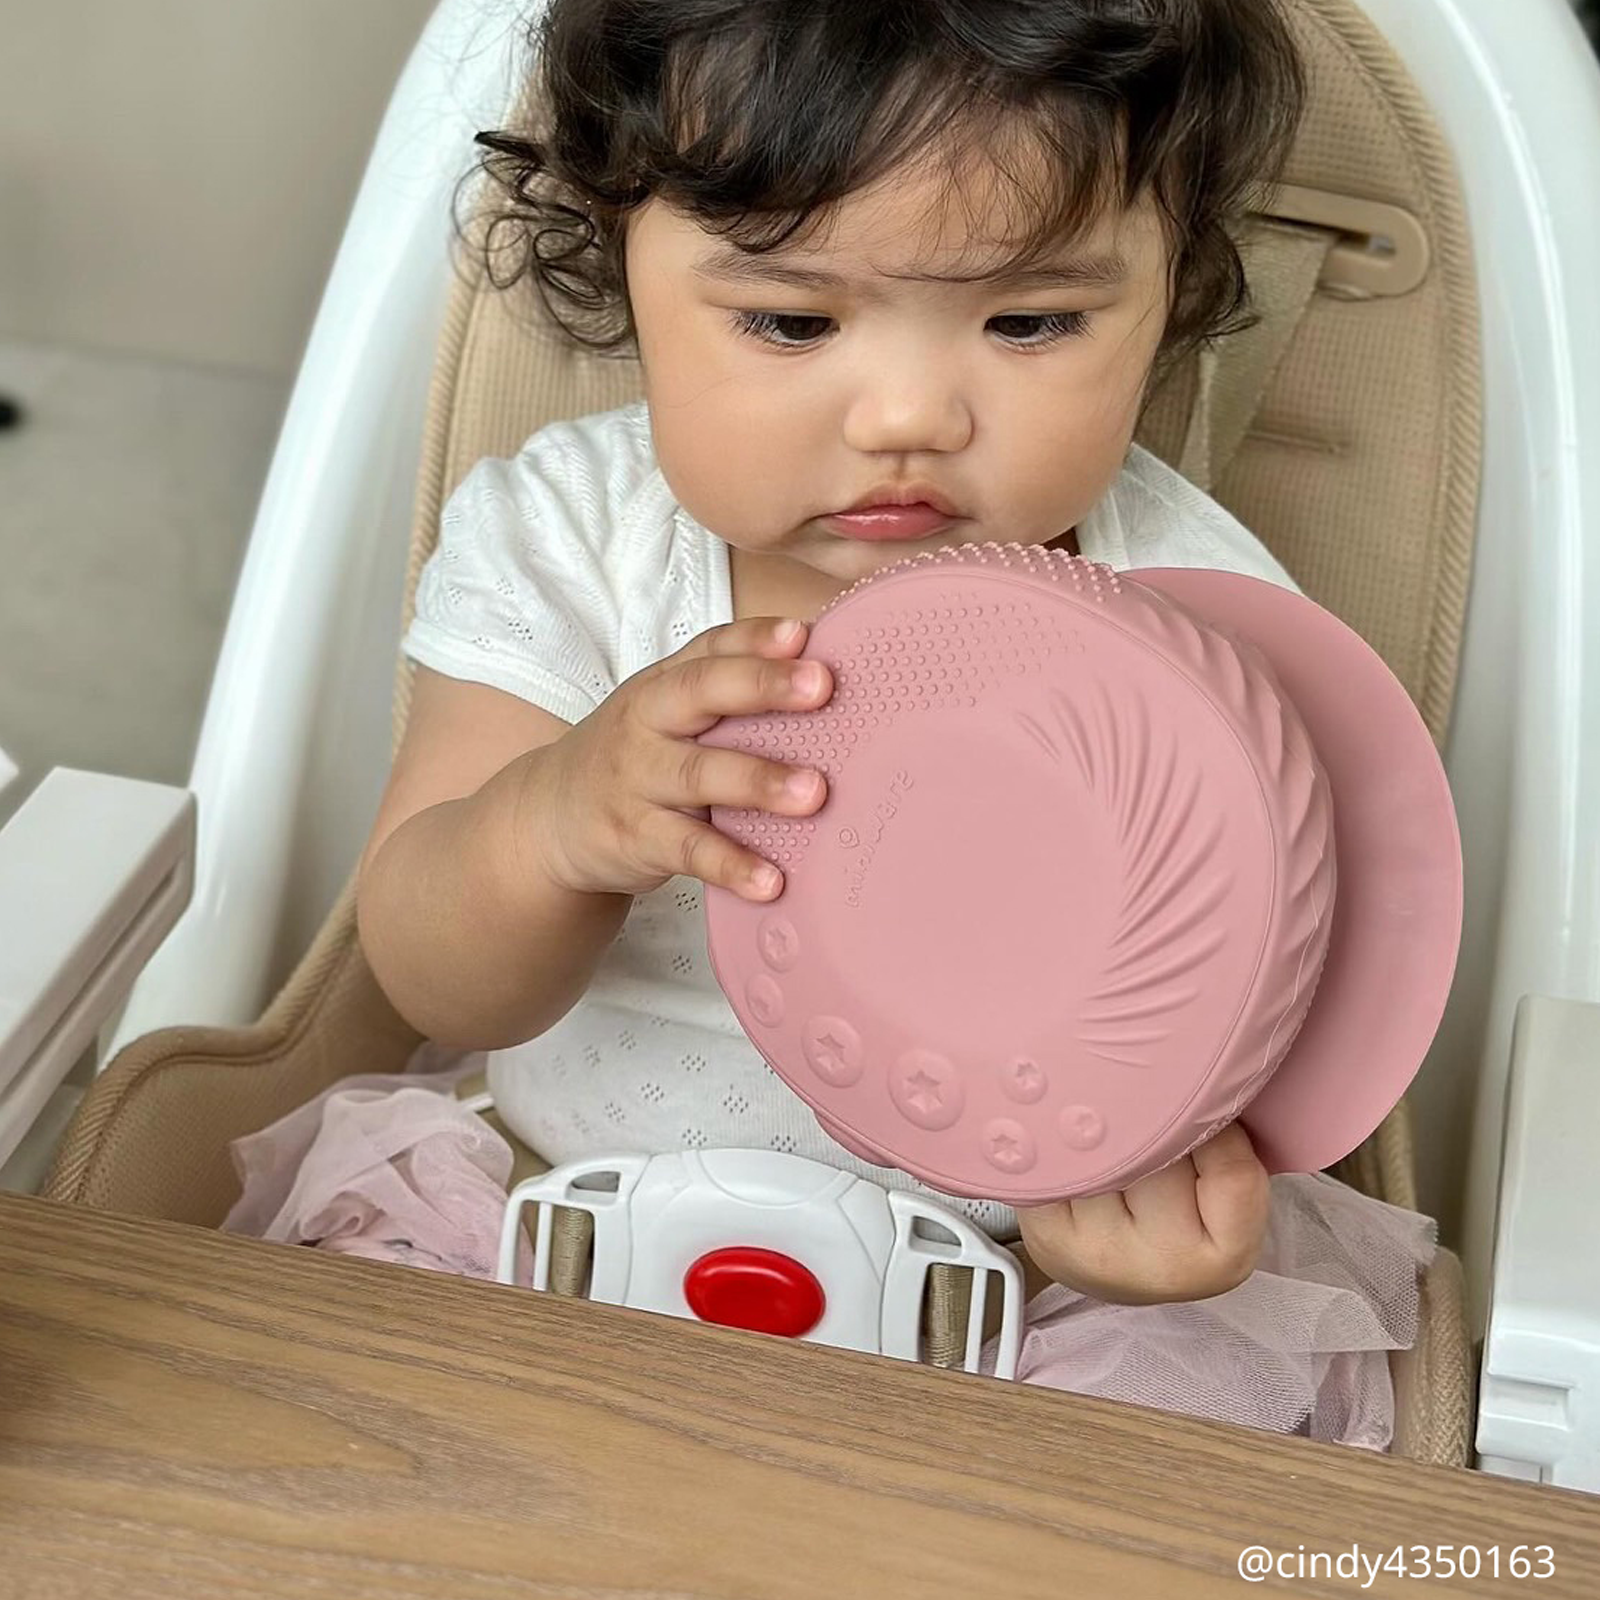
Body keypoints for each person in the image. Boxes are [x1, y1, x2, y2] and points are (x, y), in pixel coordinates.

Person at [351, 0, 1435, 1443]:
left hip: (1008, 1301)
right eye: (793, 321)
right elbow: (438, 987)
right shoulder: (567, 545)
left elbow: (1256, 1022)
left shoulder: (1202, 631)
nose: (908, 415)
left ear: (1175, 282)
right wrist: (553, 822)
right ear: (617, 254)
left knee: (1159, 1447)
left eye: (1032, 319)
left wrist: (1158, 1227)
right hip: (554, 1227)